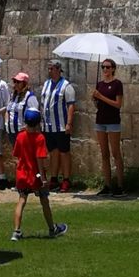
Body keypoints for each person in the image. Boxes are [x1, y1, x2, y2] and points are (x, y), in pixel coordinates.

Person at [10, 110, 67, 241]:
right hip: (35, 175)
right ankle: (52, 229)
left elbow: (17, 155)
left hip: (22, 174)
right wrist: (43, 178)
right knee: (44, 201)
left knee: (22, 200)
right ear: (38, 123)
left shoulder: (20, 136)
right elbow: (39, 159)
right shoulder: (39, 138)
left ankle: (16, 231)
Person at [40, 60, 77, 192]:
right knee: (53, 152)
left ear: (57, 69)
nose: (49, 71)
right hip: (48, 126)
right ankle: (54, 178)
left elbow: (71, 105)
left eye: (51, 69)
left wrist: (69, 123)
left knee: (64, 152)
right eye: (48, 68)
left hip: (61, 125)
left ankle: (66, 179)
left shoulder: (66, 86)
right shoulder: (46, 84)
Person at [92, 59, 126, 194]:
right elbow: (98, 105)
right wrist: (95, 99)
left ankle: (120, 185)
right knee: (104, 154)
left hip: (113, 121)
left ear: (113, 69)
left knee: (115, 153)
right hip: (100, 121)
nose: (105, 70)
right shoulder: (99, 84)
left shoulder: (117, 84)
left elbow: (118, 104)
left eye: (107, 67)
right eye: (103, 67)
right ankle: (107, 184)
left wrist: (101, 96)